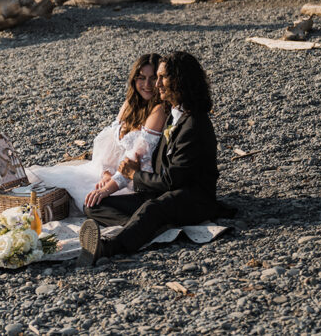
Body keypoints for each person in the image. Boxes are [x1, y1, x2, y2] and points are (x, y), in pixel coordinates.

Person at [79, 51, 235, 265]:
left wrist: (135, 174)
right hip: (162, 191)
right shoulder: (173, 115)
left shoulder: (194, 124)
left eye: (162, 78)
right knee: (94, 206)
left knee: (152, 209)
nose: (156, 84)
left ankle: (108, 247)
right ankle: (150, 227)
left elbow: (173, 180)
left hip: (192, 198)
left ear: (179, 80)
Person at [0, 54, 167, 215]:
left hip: (132, 180)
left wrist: (111, 183)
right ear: (134, 79)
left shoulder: (158, 110)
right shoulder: (130, 104)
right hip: (110, 172)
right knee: (47, 180)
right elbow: (110, 145)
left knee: (85, 199)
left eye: (152, 78)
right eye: (142, 77)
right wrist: (105, 172)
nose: (147, 84)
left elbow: (137, 157)